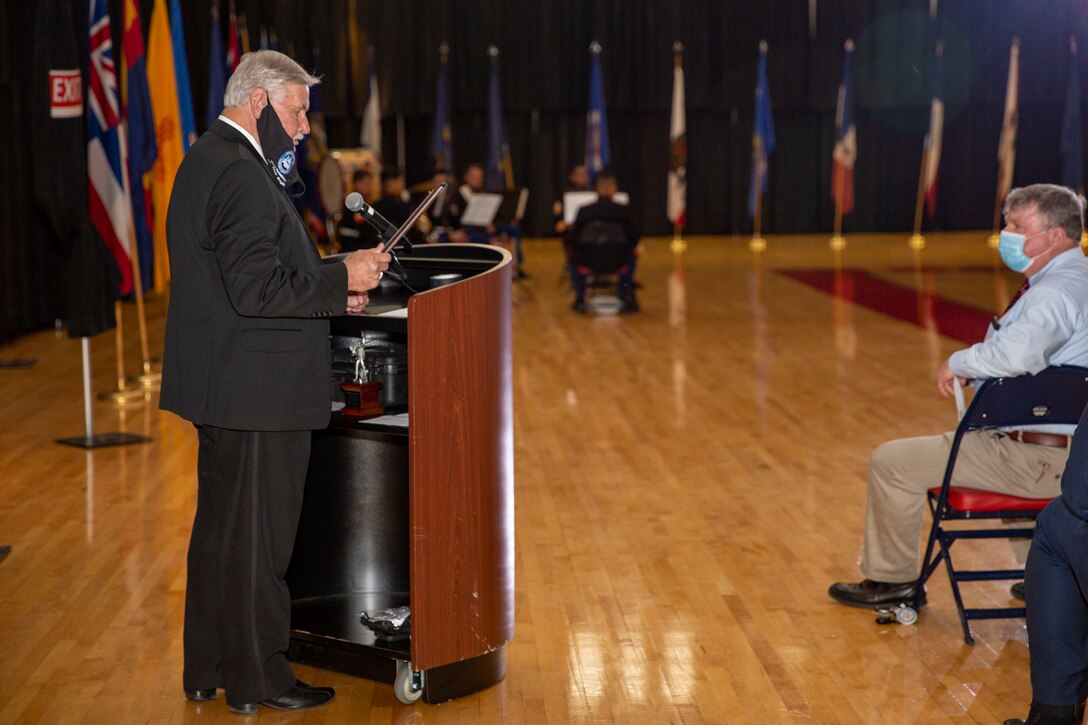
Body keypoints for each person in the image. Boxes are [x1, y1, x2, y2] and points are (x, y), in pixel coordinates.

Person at [160, 50, 390, 715]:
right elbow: (257, 288)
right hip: (256, 389)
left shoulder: (211, 158)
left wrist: (328, 289)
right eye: (296, 111)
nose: (302, 128)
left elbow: (250, 282)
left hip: (229, 383)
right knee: (259, 543)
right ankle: (260, 678)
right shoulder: (239, 173)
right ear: (258, 102)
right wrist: (340, 276)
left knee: (223, 534)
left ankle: (207, 665)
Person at [828, 184, 1088, 609]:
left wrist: (960, 362)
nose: (1007, 233)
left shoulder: (1054, 293)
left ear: (1056, 236)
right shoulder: (1077, 278)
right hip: (1071, 454)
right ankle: (1045, 578)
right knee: (1001, 449)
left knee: (892, 462)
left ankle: (892, 580)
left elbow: (1017, 353)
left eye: (1018, 226)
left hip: (1039, 460)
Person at [568, 169, 639, 313]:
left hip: (588, 260)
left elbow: (574, 238)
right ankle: (624, 294)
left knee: (571, 255)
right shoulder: (623, 211)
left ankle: (580, 298)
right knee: (633, 254)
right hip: (618, 260)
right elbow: (634, 237)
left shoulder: (585, 211)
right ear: (612, 189)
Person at [337, 169, 380, 251]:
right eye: (366, 183)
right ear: (357, 183)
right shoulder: (351, 205)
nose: (369, 186)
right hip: (354, 249)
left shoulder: (367, 203)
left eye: (370, 183)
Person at [552, 163, 590, 236]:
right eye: (579, 175)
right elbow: (557, 211)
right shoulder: (564, 194)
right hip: (569, 227)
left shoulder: (592, 193)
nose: (583, 177)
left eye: (585, 175)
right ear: (572, 176)